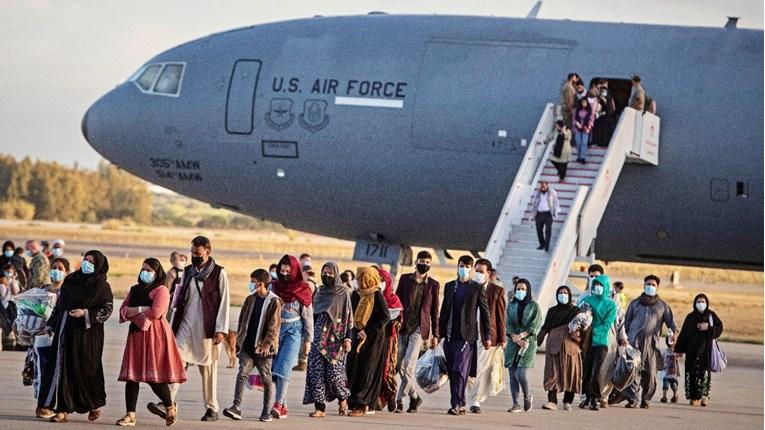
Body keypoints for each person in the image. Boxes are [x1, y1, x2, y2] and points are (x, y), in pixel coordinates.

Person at [41, 250, 113, 423]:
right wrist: (51, 324)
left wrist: (86, 313)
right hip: (66, 331)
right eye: (85, 260)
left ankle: (93, 403)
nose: (86, 263)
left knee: (86, 369)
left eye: (91, 261)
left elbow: (107, 309)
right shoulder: (71, 281)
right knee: (64, 368)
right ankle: (62, 409)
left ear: (99, 265)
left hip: (88, 335)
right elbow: (60, 305)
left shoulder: (101, 285)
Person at [167, 236, 231, 422]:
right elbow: (178, 298)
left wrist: (221, 329)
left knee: (208, 368)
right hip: (185, 324)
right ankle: (168, 402)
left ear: (207, 252)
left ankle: (212, 408)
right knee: (176, 361)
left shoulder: (219, 273)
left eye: (198, 253)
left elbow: (225, 302)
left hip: (207, 328)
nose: (194, 256)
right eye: (192, 252)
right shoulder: (187, 271)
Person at [116, 258, 187, 426]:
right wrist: (142, 309)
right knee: (132, 375)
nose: (145, 273)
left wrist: (136, 315)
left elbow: (156, 312)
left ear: (157, 273)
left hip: (155, 336)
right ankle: (130, 415)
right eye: (143, 269)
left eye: (149, 270)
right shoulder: (134, 290)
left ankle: (169, 407)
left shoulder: (161, 290)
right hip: (136, 336)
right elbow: (123, 311)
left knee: (152, 375)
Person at [223, 269, 282, 422]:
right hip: (248, 346)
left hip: (264, 350)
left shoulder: (273, 301)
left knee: (266, 378)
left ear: (261, 283)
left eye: (252, 281)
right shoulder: (250, 299)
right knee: (242, 374)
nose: (250, 284)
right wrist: (239, 343)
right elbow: (243, 321)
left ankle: (266, 411)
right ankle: (236, 407)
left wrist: (266, 345)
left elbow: (273, 326)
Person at [438, 255, 491, 416]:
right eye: (462, 265)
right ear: (458, 267)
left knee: (459, 369)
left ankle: (455, 404)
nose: (464, 269)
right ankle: (459, 403)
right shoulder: (449, 286)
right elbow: (444, 311)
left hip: (467, 335)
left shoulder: (476, 288)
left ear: (471, 268)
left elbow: (485, 313)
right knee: (452, 371)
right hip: (449, 335)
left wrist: (487, 335)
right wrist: (437, 334)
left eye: (468, 266)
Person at [302, 262, 352, 417]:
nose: (327, 276)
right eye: (324, 272)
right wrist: (307, 337)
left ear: (336, 274)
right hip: (318, 337)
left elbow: (349, 317)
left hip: (336, 339)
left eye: (330, 273)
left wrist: (348, 339)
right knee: (316, 372)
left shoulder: (343, 293)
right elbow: (311, 315)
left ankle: (343, 399)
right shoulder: (319, 292)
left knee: (334, 375)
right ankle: (320, 407)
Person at [619, 274, 677, 409]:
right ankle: (633, 399)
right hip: (634, 343)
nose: (650, 287)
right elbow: (626, 323)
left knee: (650, 374)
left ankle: (646, 399)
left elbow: (672, 325)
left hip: (651, 346)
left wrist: (674, 334)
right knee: (632, 372)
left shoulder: (663, 306)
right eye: (648, 284)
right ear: (644, 286)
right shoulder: (635, 303)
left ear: (657, 288)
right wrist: (623, 338)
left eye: (653, 285)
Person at [394, 250, 440, 413]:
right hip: (403, 327)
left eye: (427, 263)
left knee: (408, 366)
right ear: (416, 262)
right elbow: (396, 301)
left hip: (419, 330)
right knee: (399, 365)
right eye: (422, 261)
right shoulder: (405, 279)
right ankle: (415, 396)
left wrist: (436, 334)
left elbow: (435, 311)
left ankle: (400, 400)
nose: (424, 265)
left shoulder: (433, 284)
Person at [269, 255, 313, 419]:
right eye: (282, 270)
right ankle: (284, 405)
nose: (285, 273)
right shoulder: (273, 287)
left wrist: (308, 340)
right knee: (273, 370)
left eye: (288, 270)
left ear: (295, 271)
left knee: (284, 367)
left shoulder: (303, 289)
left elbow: (308, 316)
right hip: (275, 330)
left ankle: (278, 404)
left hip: (294, 331)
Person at [346, 267, 390, 417]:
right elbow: (350, 314)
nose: (356, 281)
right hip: (357, 337)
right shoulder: (355, 294)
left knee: (367, 371)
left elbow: (384, 317)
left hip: (373, 340)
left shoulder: (376, 294)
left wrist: (368, 330)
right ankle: (353, 402)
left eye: (359, 277)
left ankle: (363, 403)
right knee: (353, 369)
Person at [467, 258, 506, 413]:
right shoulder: (469, 288)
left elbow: (500, 316)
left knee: (480, 369)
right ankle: (473, 397)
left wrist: (502, 338)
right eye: (476, 271)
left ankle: (475, 400)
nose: (477, 274)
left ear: (488, 274)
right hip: (468, 334)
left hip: (487, 337)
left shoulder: (497, 291)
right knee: (467, 369)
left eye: (481, 272)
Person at [33, 258, 69, 419]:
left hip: (58, 337)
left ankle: (47, 405)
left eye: (60, 268)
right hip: (42, 336)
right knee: (42, 371)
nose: (56, 271)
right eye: (54, 267)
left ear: (66, 272)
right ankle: (42, 406)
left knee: (56, 371)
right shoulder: (43, 289)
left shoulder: (68, 291)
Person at [538, 286, 582, 411]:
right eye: (560, 293)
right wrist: (536, 341)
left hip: (571, 345)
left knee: (571, 372)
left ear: (569, 295)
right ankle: (552, 401)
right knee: (552, 372)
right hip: (554, 344)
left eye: (565, 293)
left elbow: (582, 328)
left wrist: (579, 336)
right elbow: (545, 327)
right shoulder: (552, 311)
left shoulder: (576, 311)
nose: (563, 295)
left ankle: (568, 401)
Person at [674, 293, 723, 407]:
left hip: (706, 350)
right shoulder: (690, 317)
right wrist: (679, 350)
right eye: (698, 302)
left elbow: (720, 328)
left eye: (703, 302)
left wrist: (708, 328)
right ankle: (694, 396)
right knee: (692, 373)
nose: (701, 304)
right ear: (695, 303)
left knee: (704, 373)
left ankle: (704, 396)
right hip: (692, 351)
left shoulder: (711, 315)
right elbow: (684, 334)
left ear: (707, 303)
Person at [578, 274, 617, 411]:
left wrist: (592, 330)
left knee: (597, 370)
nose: (598, 287)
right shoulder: (587, 300)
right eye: (596, 285)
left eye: (601, 285)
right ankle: (586, 396)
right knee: (586, 370)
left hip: (601, 342)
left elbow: (607, 324)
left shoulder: (611, 305)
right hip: (586, 343)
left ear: (606, 287)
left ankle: (595, 397)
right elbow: (580, 316)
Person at [504, 279, 541, 413]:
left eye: (523, 289)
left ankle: (527, 396)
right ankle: (515, 403)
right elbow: (508, 323)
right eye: (518, 289)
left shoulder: (534, 306)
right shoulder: (511, 305)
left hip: (528, 343)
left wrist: (522, 336)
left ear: (528, 290)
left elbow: (535, 324)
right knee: (512, 373)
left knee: (521, 373)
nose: (520, 291)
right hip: (513, 342)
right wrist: (514, 336)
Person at [375, 267, 403, 412]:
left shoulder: (393, 299)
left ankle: (390, 395)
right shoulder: (370, 297)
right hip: (374, 340)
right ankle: (376, 398)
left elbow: (399, 321)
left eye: (381, 280)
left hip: (388, 340)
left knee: (387, 370)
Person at [530, 181, 560, 252]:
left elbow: (556, 202)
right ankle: (542, 244)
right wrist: (533, 213)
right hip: (539, 213)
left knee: (548, 230)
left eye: (543, 185)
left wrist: (555, 212)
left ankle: (547, 246)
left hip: (548, 214)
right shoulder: (537, 193)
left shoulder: (552, 192)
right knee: (539, 230)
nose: (542, 186)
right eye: (541, 185)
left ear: (547, 185)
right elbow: (534, 203)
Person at [165, 251, 187, 322]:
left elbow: (167, 289)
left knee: (168, 320)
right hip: (182, 300)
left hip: (172, 301)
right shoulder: (186, 271)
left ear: (171, 261)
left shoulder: (172, 272)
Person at [573, 97, 594, 164]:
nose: (583, 104)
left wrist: (588, 127)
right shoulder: (577, 110)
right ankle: (578, 156)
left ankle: (583, 157)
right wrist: (577, 124)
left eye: (585, 102)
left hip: (585, 128)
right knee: (578, 142)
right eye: (582, 102)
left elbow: (591, 120)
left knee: (584, 143)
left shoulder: (589, 111)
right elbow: (574, 119)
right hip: (577, 128)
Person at [660, 336, 680, 404]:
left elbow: (680, 355)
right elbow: (661, 359)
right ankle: (664, 397)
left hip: (674, 375)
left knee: (674, 386)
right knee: (665, 386)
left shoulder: (676, 351)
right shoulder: (665, 352)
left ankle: (675, 396)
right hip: (666, 374)